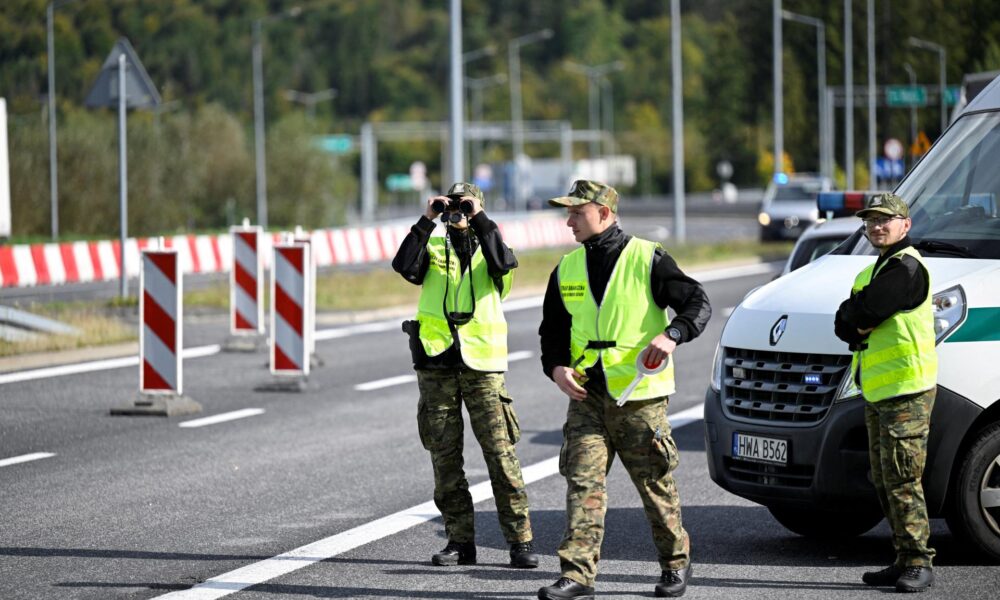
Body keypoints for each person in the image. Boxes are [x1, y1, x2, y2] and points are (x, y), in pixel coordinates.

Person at [537, 180, 711, 599]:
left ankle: (675, 564)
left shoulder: (647, 257)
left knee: (654, 483)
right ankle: (577, 575)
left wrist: (672, 334)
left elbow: (697, 302)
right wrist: (556, 369)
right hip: (587, 395)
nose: (569, 221)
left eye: (577, 212)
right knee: (582, 483)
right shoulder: (567, 267)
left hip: (638, 395)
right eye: (569, 213)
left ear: (605, 212)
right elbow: (553, 333)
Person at [392, 182, 538, 569]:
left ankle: (520, 541)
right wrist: (428, 220)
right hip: (436, 361)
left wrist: (480, 219)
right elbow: (404, 266)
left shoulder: (493, 247)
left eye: (464, 205)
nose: (456, 211)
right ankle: (459, 541)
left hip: (483, 366)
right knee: (444, 458)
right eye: (452, 205)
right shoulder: (434, 244)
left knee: (501, 456)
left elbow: (503, 267)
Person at [834, 192, 938, 593]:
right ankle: (902, 559)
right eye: (871, 221)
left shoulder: (906, 268)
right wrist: (856, 318)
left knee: (902, 478)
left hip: (906, 391)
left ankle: (918, 562)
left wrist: (857, 317)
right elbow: (847, 320)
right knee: (883, 478)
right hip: (880, 390)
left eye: (885, 220)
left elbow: (865, 312)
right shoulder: (875, 270)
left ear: (905, 225)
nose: (876, 226)